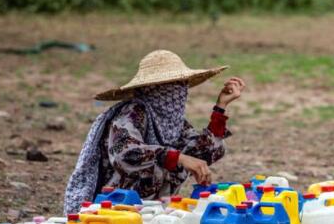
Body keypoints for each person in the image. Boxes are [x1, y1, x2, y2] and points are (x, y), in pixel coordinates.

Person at [63, 49, 245, 214]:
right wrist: (178, 158)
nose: (179, 93)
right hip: (117, 206)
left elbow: (201, 153)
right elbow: (125, 154)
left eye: (182, 84)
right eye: (172, 86)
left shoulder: (173, 122)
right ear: (153, 89)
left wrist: (220, 107)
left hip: (154, 209)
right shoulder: (131, 114)